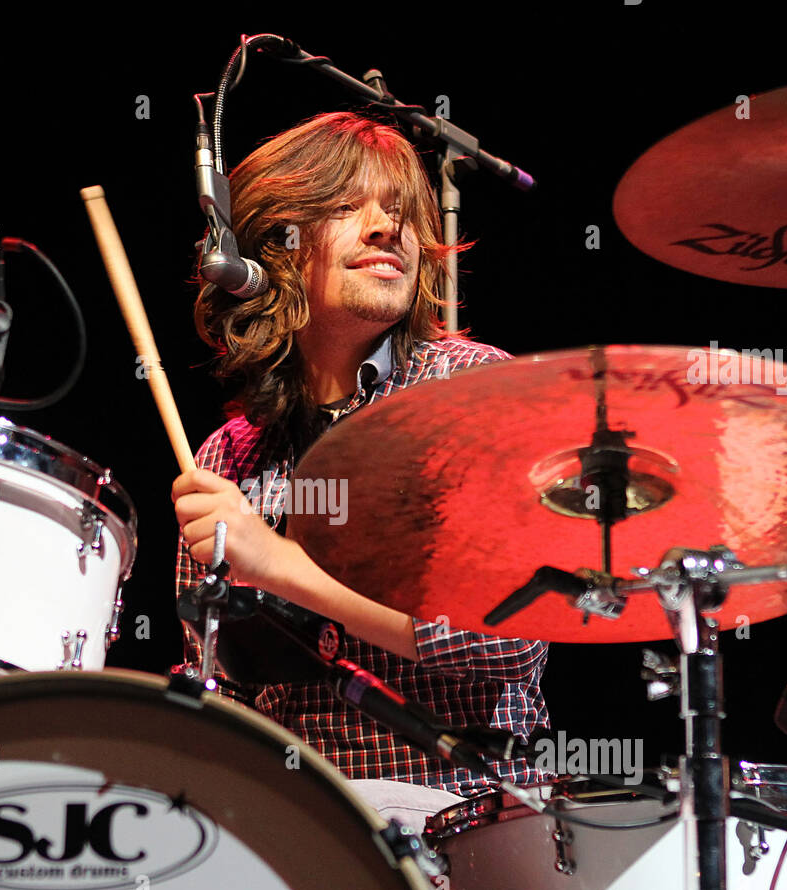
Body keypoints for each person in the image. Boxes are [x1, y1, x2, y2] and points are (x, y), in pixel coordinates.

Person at [172, 112, 548, 823]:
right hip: (295, 825)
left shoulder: (467, 392)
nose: (387, 228)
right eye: (348, 207)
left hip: (458, 820)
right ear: (271, 248)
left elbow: (506, 640)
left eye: (400, 210)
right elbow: (222, 692)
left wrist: (281, 566)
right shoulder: (228, 456)